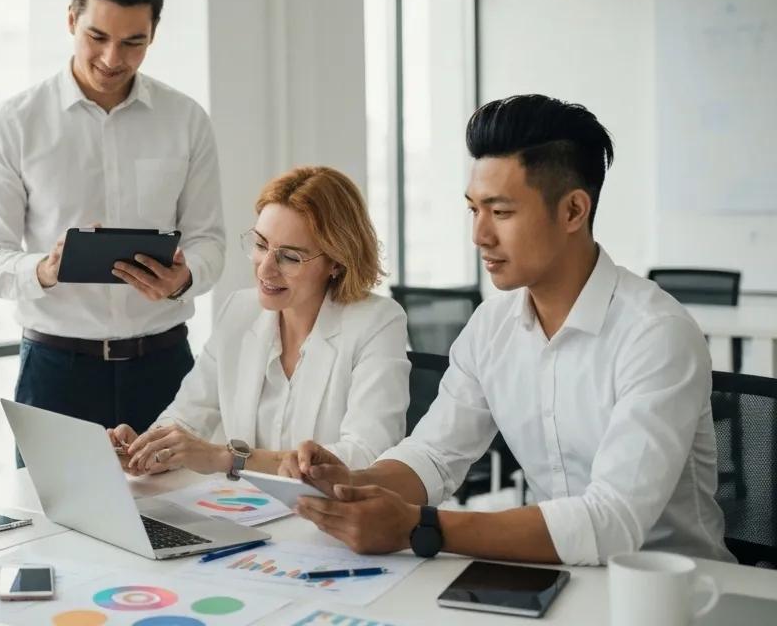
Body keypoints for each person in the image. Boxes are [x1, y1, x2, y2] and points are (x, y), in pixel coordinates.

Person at [281, 94, 733, 566]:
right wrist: (350, 481)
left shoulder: (656, 335)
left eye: (501, 212)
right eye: (473, 210)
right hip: (561, 580)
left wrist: (422, 526)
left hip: (678, 592)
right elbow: (434, 454)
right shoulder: (492, 327)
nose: (480, 235)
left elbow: (612, 521)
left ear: (574, 211)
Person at [0, 0, 225, 437]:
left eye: (134, 42)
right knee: (54, 516)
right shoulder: (16, 122)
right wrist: (44, 269)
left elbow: (210, 242)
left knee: (176, 513)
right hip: (56, 372)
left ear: (154, 34)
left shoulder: (186, 120)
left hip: (165, 367)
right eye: (97, 37)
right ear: (71, 20)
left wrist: (183, 277)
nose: (112, 59)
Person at [109, 166, 409, 478]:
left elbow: (368, 454)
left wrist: (230, 458)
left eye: (290, 257)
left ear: (336, 262)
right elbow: (188, 416)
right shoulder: (239, 310)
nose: (265, 270)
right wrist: (147, 448)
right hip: (247, 510)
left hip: (328, 515)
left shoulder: (377, 322)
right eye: (261, 245)